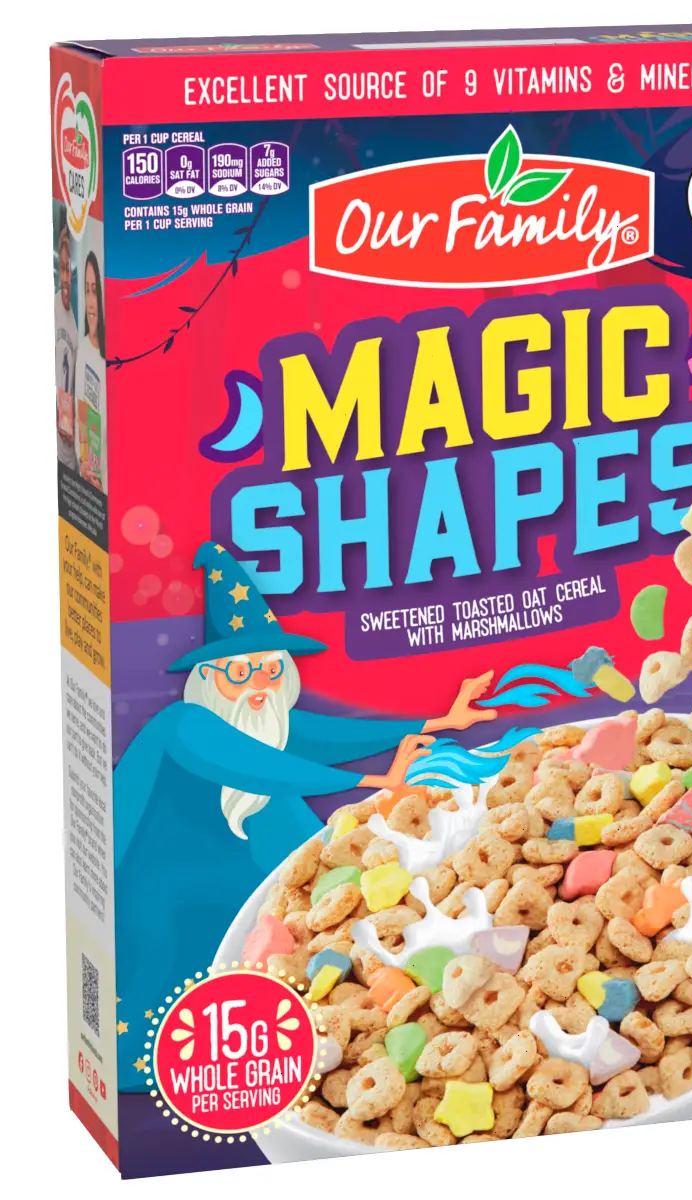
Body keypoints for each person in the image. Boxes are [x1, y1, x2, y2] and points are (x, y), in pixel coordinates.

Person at [112, 541, 498, 1086]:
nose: (258, 686)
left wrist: (440, 721)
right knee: (167, 969)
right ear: (207, 677)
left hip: (242, 874)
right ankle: (146, 1071)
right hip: (168, 878)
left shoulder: (270, 718)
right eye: (240, 673)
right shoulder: (183, 722)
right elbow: (248, 764)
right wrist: (369, 782)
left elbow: (333, 736)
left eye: (270, 670)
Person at [74, 249, 107, 491]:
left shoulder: (115, 356)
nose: (90, 301)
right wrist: (85, 463)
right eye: (87, 290)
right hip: (93, 481)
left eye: (94, 290)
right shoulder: (83, 349)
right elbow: (82, 414)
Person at [54, 224, 78, 471]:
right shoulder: (52, 309)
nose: (64, 278)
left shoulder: (76, 329)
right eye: (61, 268)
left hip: (71, 456)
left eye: (67, 269)